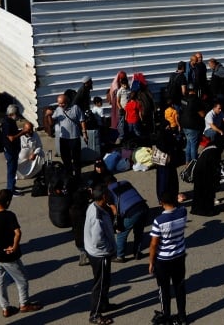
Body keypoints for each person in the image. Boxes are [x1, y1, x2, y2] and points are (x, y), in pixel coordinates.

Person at [0, 189, 43, 318]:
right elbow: (18, 233)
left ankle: (5, 308)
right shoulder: (9, 215)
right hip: (9, 256)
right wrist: (14, 246)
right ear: (7, 201)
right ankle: (24, 304)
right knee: (22, 279)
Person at [149, 192, 188, 325]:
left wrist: (151, 261)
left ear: (161, 203)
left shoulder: (158, 221)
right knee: (179, 287)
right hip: (179, 256)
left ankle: (166, 315)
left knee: (164, 289)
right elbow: (181, 206)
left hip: (163, 260)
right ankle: (182, 317)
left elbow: (154, 244)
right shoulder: (183, 213)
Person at [84, 184, 117, 325]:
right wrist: (110, 248)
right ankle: (95, 314)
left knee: (105, 280)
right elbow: (98, 240)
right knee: (100, 283)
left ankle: (104, 304)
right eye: (107, 195)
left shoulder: (93, 206)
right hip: (100, 254)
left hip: (94, 251)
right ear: (103, 197)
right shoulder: (97, 217)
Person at [106, 176, 149, 263]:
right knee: (139, 231)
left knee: (121, 233)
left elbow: (115, 210)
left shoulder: (109, 191)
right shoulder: (126, 182)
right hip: (143, 207)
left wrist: (117, 223)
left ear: (106, 184)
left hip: (131, 212)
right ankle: (137, 253)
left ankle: (120, 256)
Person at [48, 94, 88, 184]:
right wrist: (49, 116)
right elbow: (51, 123)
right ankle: (69, 176)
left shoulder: (75, 108)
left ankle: (78, 177)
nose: (60, 105)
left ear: (67, 102)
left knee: (76, 159)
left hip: (75, 138)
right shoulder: (58, 110)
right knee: (66, 159)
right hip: (63, 139)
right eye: (59, 103)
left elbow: (82, 120)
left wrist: (84, 133)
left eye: (62, 103)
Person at [190, 141, 221, 217]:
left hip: (199, 174)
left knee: (199, 193)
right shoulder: (214, 151)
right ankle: (207, 210)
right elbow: (215, 167)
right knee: (207, 193)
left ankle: (198, 209)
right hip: (207, 175)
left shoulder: (207, 148)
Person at [0, 105, 26, 195]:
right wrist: (23, 132)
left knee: (13, 169)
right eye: (16, 114)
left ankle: (12, 186)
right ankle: (10, 190)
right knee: (11, 170)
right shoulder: (7, 123)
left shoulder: (10, 121)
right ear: (11, 114)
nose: (18, 116)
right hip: (10, 150)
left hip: (13, 150)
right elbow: (11, 138)